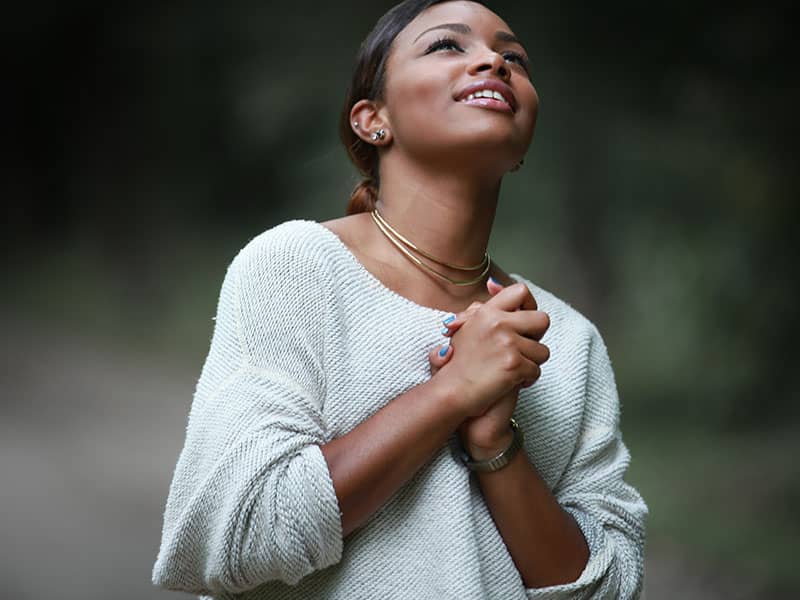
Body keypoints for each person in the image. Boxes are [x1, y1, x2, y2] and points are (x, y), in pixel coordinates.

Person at [151, 1, 648, 598]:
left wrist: (497, 445)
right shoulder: (297, 267)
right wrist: (450, 393)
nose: (494, 60)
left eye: (513, 57)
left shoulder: (566, 340)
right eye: (447, 46)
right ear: (371, 119)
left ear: (523, 143)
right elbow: (236, 534)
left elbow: (611, 587)